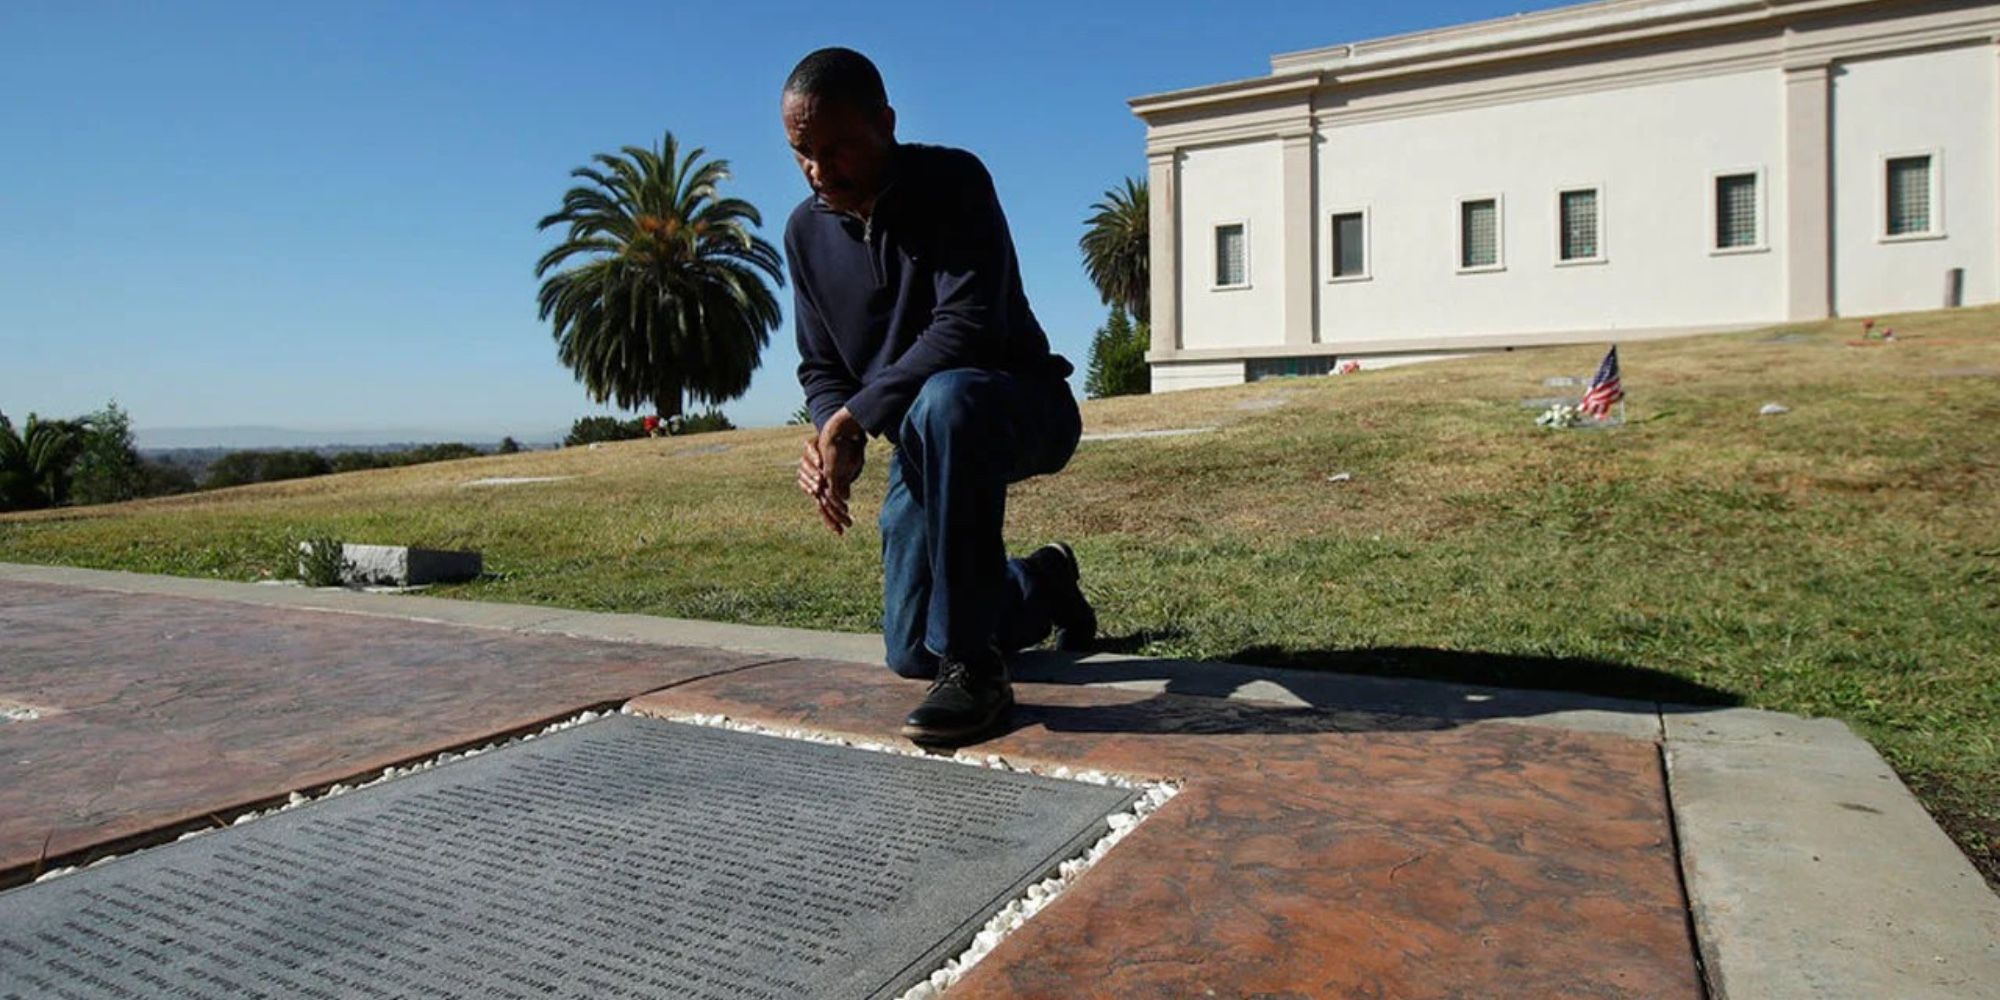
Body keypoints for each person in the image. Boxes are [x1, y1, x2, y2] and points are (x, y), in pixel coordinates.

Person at [781, 47, 1094, 746]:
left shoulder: (954, 181)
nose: (819, 171)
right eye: (802, 152)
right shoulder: (804, 233)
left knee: (947, 399)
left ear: (886, 123)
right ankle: (1040, 584)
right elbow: (821, 364)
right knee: (910, 651)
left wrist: (858, 417)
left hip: (1021, 405)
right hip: (923, 436)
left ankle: (976, 669)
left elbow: (967, 323)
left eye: (837, 149)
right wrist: (831, 433)